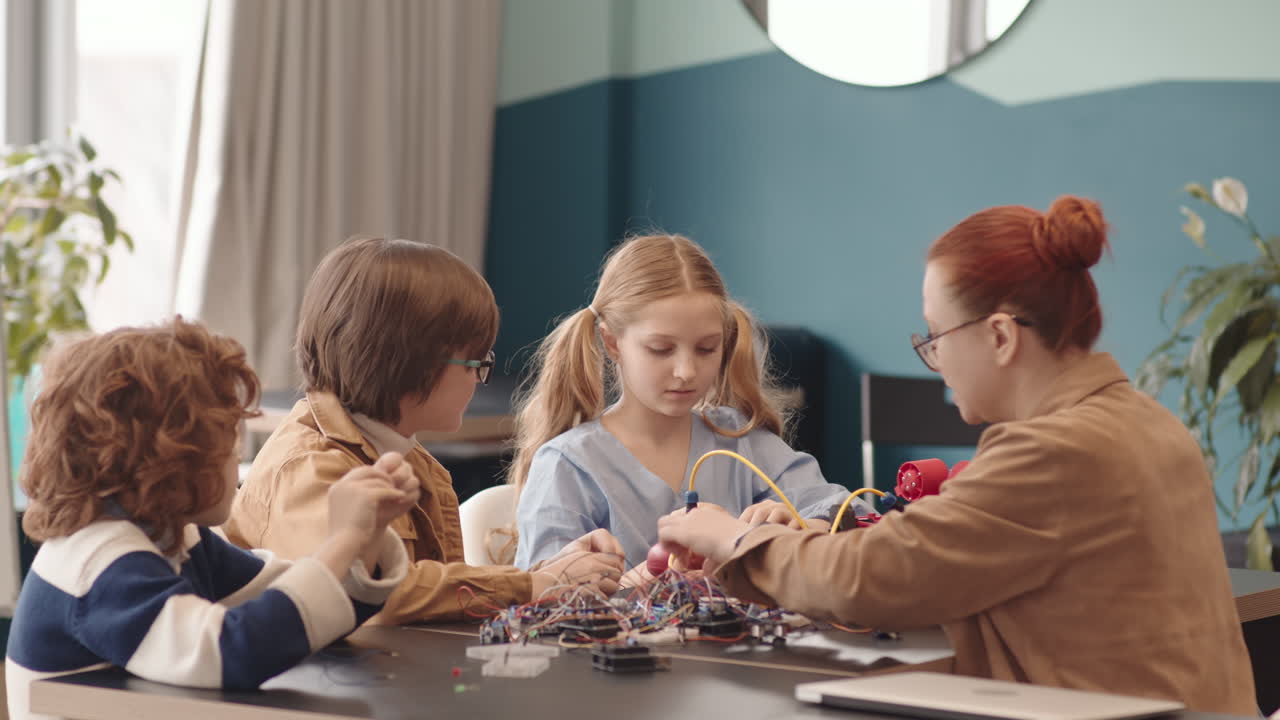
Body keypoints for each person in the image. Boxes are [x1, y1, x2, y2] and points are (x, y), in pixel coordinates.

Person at [656, 197, 1257, 714]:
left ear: (1000, 336)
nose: (933, 357)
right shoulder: (1148, 422)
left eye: (935, 336)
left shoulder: (1053, 449)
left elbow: (872, 577)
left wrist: (733, 541)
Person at [5, 319, 417, 720]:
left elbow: (295, 607)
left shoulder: (174, 538)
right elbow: (232, 652)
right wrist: (343, 538)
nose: (237, 453)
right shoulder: (98, 563)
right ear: (167, 459)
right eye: (226, 437)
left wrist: (370, 535)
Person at [223, 236, 624, 623]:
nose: (479, 380)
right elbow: (370, 597)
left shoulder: (414, 462)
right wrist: (531, 585)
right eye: (476, 363)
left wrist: (555, 571)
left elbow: (439, 599)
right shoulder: (308, 467)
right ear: (407, 362)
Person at [511, 233, 868, 576]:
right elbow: (546, 599)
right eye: (661, 349)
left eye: (706, 348)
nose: (686, 371)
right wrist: (649, 576)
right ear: (612, 343)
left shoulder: (739, 438)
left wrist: (800, 527)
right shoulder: (570, 465)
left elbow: (854, 513)